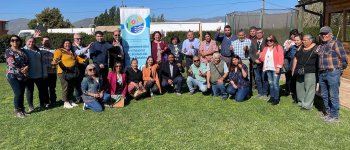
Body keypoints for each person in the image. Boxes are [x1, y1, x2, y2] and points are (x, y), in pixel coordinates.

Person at [317, 26, 348, 123]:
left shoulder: (336, 43)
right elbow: (315, 52)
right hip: (322, 73)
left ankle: (334, 115)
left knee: (333, 95)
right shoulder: (321, 46)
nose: (324, 35)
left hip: (333, 72)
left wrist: (339, 69)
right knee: (324, 94)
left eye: (326, 33)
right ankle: (328, 113)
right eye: (322, 34)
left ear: (330, 34)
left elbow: (344, 58)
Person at [52, 39, 85, 109]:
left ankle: (70, 100)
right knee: (66, 86)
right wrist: (56, 61)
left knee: (71, 86)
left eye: (69, 43)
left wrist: (84, 60)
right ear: (63, 44)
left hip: (72, 72)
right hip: (63, 72)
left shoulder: (71, 52)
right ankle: (65, 102)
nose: (67, 45)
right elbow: (55, 59)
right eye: (66, 43)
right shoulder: (59, 50)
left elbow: (78, 58)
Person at [291, 34, 318, 110]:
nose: (303, 41)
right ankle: (301, 102)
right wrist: (293, 69)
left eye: (305, 40)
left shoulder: (316, 48)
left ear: (311, 40)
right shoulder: (301, 47)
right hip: (299, 70)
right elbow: (296, 58)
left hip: (310, 71)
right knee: (300, 87)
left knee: (309, 88)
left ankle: (307, 105)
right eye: (303, 40)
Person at [6, 35, 29, 118]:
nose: (15, 41)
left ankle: (22, 109)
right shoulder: (9, 51)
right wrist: (22, 69)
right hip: (12, 75)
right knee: (18, 92)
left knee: (22, 93)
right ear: (10, 42)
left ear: (19, 41)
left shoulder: (23, 51)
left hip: (23, 75)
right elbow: (11, 63)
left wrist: (27, 67)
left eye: (16, 40)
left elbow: (27, 61)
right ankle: (17, 111)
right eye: (12, 40)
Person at [23, 37, 48, 111]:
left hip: (39, 74)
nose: (31, 43)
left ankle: (42, 104)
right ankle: (31, 106)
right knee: (30, 91)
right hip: (29, 75)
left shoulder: (38, 50)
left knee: (42, 90)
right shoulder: (23, 50)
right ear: (26, 42)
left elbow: (43, 62)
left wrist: (44, 72)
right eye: (29, 41)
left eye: (33, 41)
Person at [259, 34, 284, 105]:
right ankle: (272, 97)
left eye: (271, 40)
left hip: (275, 68)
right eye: (267, 40)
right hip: (268, 68)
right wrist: (260, 56)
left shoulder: (278, 47)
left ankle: (276, 98)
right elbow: (262, 59)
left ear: (274, 40)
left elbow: (281, 57)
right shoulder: (265, 48)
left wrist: (278, 67)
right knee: (271, 83)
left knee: (275, 84)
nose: (269, 42)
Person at [72, 33, 92, 103]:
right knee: (77, 83)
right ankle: (78, 98)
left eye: (81, 38)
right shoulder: (73, 46)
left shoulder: (83, 45)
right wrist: (86, 49)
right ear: (74, 39)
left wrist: (86, 53)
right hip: (77, 68)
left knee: (86, 81)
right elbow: (78, 53)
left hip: (85, 66)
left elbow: (88, 55)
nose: (79, 40)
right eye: (78, 39)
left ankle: (84, 96)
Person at [249, 28, 268, 100]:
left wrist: (262, 54)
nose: (258, 34)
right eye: (257, 33)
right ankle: (260, 93)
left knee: (264, 78)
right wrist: (255, 59)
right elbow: (250, 53)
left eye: (260, 32)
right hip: (255, 63)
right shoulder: (253, 42)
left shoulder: (267, 41)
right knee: (257, 79)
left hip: (264, 63)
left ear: (263, 33)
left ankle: (265, 93)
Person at [39, 36, 57, 107]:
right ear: (42, 42)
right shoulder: (39, 49)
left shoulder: (54, 50)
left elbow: (57, 58)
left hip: (52, 72)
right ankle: (46, 102)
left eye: (48, 41)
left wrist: (56, 61)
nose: (47, 42)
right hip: (44, 72)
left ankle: (53, 101)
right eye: (45, 41)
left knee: (52, 88)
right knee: (45, 88)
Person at [286, 34, 303, 102]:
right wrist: (287, 49)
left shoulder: (304, 48)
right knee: (293, 83)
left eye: (298, 40)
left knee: (300, 83)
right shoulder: (292, 47)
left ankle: (300, 98)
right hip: (292, 68)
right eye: (295, 40)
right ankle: (295, 97)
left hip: (300, 69)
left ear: (301, 40)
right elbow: (286, 55)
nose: (296, 42)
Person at [283, 29, 299, 95]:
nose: (293, 36)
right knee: (288, 75)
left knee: (294, 76)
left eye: (294, 34)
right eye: (292, 34)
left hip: (294, 60)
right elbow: (284, 52)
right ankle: (288, 89)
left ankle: (293, 90)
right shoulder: (288, 41)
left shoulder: (298, 41)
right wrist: (287, 48)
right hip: (287, 60)